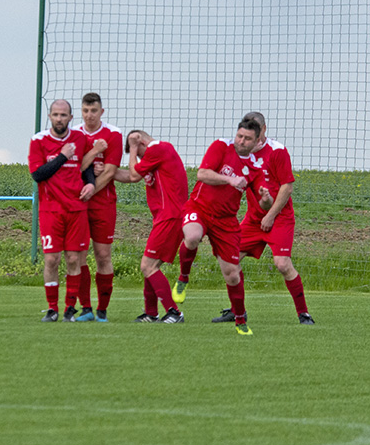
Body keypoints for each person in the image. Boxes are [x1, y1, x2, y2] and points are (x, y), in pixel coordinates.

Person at [211, 112, 314, 325]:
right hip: (253, 219)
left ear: (263, 130)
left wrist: (270, 214)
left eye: (256, 131)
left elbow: (287, 187)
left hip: (280, 218)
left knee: (282, 264)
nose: (250, 136)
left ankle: (303, 314)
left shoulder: (277, 151)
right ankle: (237, 311)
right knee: (230, 260)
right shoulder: (239, 151)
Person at [173, 118, 273, 335]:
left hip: (226, 222)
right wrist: (230, 180)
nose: (241, 141)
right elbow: (202, 174)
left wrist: (266, 198)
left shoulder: (255, 167)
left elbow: (265, 202)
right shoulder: (220, 146)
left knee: (232, 274)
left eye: (247, 139)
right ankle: (183, 278)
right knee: (192, 236)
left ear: (256, 141)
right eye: (240, 136)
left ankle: (240, 321)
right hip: (199, 208)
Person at [29, 99, 96, 322]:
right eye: (56, 115)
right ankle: (51, 308)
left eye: (64, 115)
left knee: (73, 259)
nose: (59, 119)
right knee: (51, 260)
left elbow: (85, 168)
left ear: (70, 118)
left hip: (76, 209)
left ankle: (69, 308)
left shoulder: (81, 139)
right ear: (50, 116)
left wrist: (91, 184)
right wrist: (63, 156)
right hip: (51, 210)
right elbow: (38, 174)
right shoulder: (38, 140)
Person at [114, 130, 189, 323]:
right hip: (166, 217)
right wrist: (108, 172)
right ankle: (151, 313)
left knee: (147, 265)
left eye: (138, 153)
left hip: (170, 216)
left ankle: (174, 312)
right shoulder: (156, 155)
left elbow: (133, 174)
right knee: (151, 265)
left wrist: (131, 147)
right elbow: (130, 176)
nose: (138, 158)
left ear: (140, 141)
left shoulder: (159, 149)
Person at [70, 93, 123, 323]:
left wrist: (91, 189)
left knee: (103, 255)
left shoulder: (113, 134)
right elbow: (73, 168)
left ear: (102, 111)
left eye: (93, 111)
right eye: (85, 111)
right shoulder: (74, 134)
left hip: (103, 204)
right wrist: (91, 161)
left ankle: (102, 310)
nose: (89, 115)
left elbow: (111, 171)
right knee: (78, 255)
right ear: (81, 112)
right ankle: (86, 308)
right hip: (78, 205)